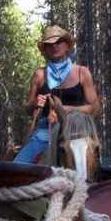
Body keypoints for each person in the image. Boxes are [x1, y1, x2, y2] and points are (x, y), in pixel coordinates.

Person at [14, 25, 99, 164]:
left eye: (58, 42)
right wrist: (34, 103)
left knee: (94, 167)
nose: (54, 46)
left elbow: (94, 107)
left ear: (67, 46)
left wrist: (66, 109)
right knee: (17, 167)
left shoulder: (82, 72)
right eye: (50, 44)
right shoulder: (39, 75)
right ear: (46, 50)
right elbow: (28, 109)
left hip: (75, 131)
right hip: (45, 132)